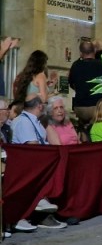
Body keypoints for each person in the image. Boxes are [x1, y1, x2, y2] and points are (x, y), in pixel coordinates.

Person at [11, 97, 67, 231]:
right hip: (25, 164)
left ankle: (45, 214)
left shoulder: (37, 120)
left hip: (34, 162)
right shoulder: (24, 121)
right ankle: (36, 205)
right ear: (40, 106)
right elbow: (33, 147)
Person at [68, 40, 102, 136]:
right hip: (97, 108)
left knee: (84, 125)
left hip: (79, 108)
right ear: (94, 51)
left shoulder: (75, 65)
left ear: (80, 53)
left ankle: (83, 132)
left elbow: (71, 84)